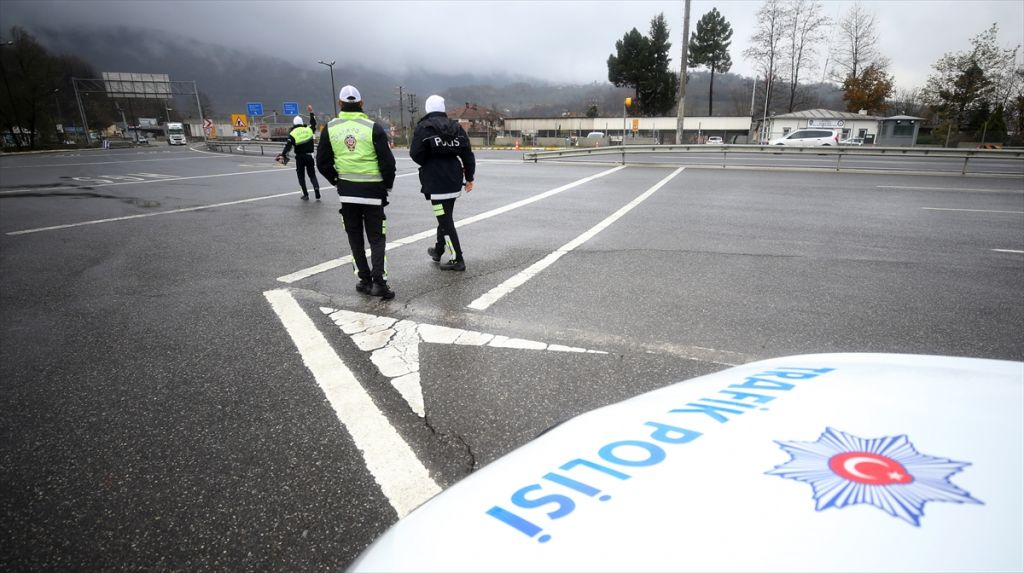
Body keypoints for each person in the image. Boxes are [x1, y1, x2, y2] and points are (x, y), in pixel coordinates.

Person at [316, 85, 397, 299]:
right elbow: (388, 163)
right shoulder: (373, 127)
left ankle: (364, 279)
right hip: (373, 191)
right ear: (361, 103)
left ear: (340, 104)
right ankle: (380, 283)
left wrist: (337, 181)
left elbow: (322, 162)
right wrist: (386, 186)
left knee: (355, 237)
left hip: (347, 193)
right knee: (377, 238)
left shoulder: (330, 128)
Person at [409, 95, 476, 271]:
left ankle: (457, 258)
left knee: (445, 220)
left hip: (435, 180)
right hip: (454, 179)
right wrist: (469, 178)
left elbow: (415, 154)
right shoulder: (457, 127)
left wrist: (429, 161)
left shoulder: (424, 128)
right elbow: (467, 154)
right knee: (445, 216)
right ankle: (438, 250)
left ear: (427, 109)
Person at [277, 105, 320, 200]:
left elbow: (288, 146)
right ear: (302, 123)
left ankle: (305, 195)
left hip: (300, 157)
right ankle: (316, 189)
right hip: (310, 156)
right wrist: (311, 113)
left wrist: (283, 155)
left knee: (301, 176)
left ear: (294, 124)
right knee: (312, 174)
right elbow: (314, 124)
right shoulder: (308, 129)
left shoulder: (292, 133)